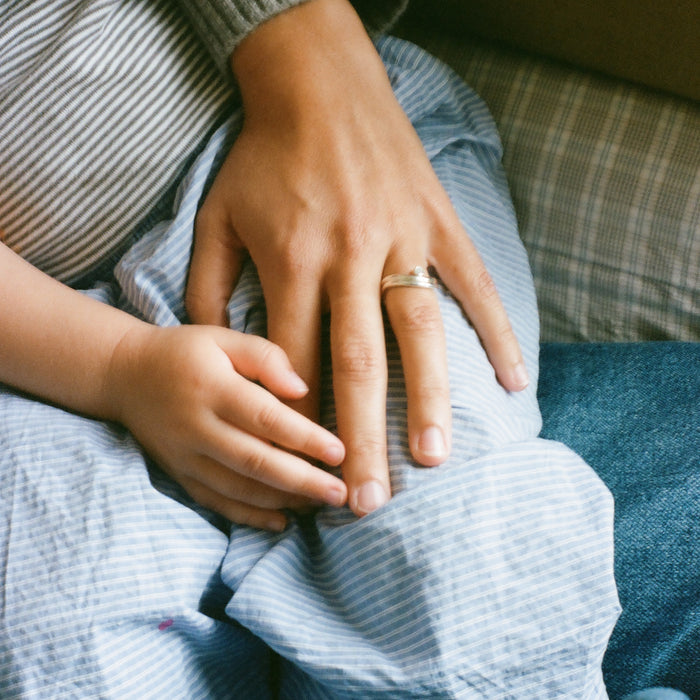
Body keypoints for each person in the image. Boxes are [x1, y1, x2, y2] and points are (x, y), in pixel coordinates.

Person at [0, 1, 693, 697]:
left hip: (290, 141)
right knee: (52, 648)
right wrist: (114, 364)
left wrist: (301, 60)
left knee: (436, 539)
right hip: (43, 350)